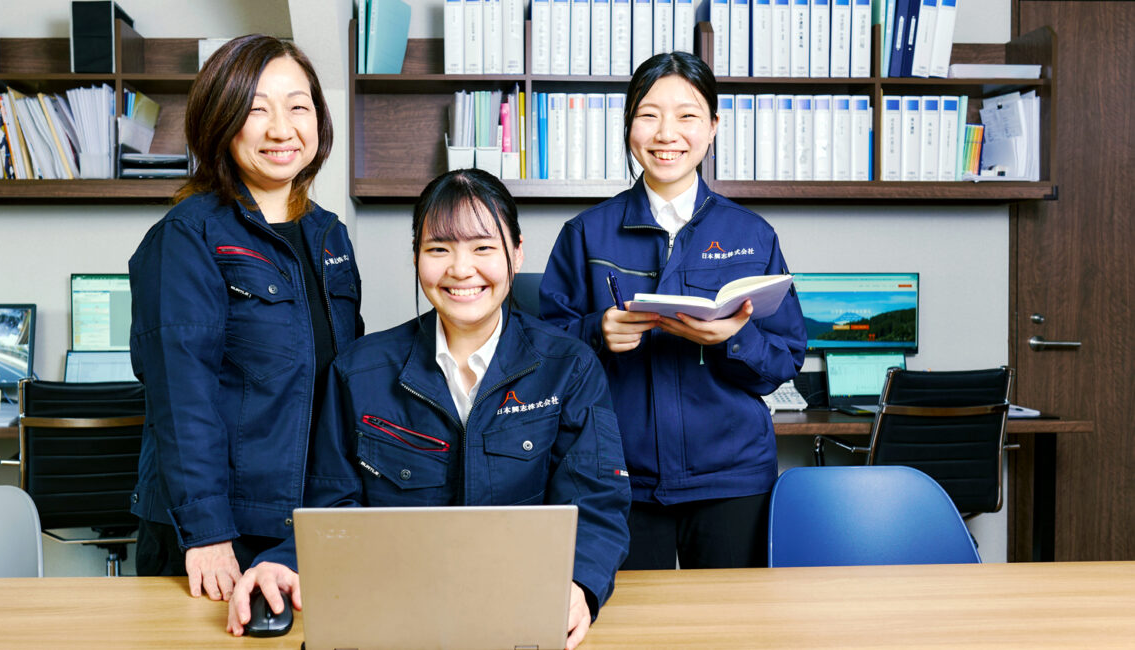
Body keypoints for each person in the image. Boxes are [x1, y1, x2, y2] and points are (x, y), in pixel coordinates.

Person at [226, 169, 631, 650]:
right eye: (439, 249)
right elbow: (331, 507)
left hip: (522, 613)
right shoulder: (359, 372)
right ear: (416, 256)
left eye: (483, 248)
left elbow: (598, 503)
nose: (461, 270)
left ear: (516, 253)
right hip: (395, 613)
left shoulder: (570, 367)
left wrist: (580, 586)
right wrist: (282, 561)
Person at [539, 52, 807, 570]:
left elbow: (786, 359)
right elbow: (540, 355)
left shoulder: (752, 235)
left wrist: (730, 338)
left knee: (735, 631)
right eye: (649, 114)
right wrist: (598, 333)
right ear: (628, 125)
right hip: (617, 477)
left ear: (712, 127)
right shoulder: (585, 234)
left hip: (731, 477)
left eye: (686, 116)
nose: (667, 133)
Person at [128, 34, 363, 600]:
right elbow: (182, 398)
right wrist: (207, 533)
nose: (282, 129)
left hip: (305, 526)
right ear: (220, 121)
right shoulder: (187, 236)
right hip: (219, 534)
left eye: (298, 106)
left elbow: (343, 376)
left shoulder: (329, 234)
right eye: (256, 109)